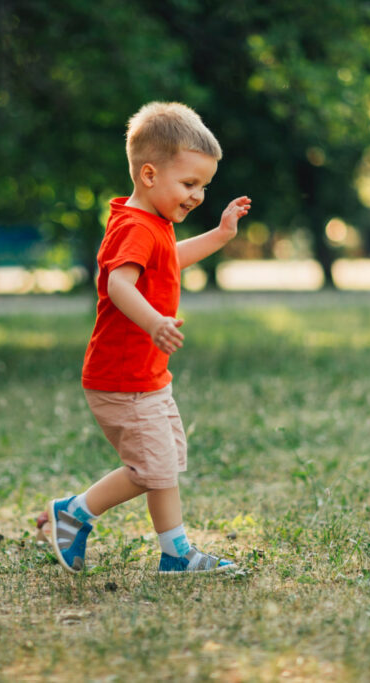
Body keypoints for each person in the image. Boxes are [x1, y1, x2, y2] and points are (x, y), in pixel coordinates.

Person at [47, 102, 251, 575]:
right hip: (122, 380)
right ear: (149, 174)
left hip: (146, 375)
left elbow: (170, 259)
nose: (197, 195)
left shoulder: (152, 223)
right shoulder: (134, 227)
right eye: (189, 184)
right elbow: (119, 285)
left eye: (204, 186)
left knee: (164, 463)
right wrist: (154, 321)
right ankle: (75, 514)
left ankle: (175, 553)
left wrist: (220, 235)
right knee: (149, 470)